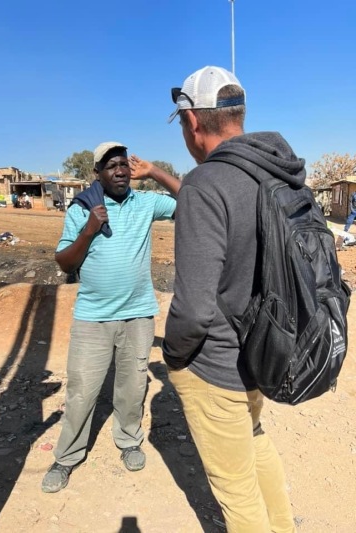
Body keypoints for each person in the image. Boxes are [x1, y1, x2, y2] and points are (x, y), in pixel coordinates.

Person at [161, 66, 300, 532]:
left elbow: (195, 307)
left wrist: (174, 357)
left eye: (182, 125)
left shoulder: (206, 183)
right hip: (265, 354)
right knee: (256, 441)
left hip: (217, 366)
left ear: (192, 122)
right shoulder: (281, 174)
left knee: (236, 489)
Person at [41, 141, 181, 493]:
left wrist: (155, 172)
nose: (120, 170)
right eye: (111, 165)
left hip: (138, 315)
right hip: (93, 317)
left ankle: (129, 439)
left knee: (132, 386)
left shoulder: (146, 203)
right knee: (82, 391)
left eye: (124, 164)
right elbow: (64, 263)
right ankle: (66, 457)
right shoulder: (81, 209)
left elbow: (191, 198)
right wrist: (89, 229)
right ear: (98, 173)